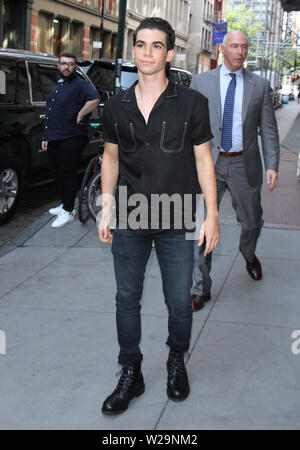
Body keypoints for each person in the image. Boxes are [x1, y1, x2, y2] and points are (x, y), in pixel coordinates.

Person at [98, 17, 220, 415]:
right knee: (126, 299)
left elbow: (204, 161)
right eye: (140, 44)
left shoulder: (191, 103)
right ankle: (131, 371)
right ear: (133, 49)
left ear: (169, 53)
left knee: (179, 302)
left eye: (155, 46)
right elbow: (111, 158)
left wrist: (212, 215)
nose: (146, 53)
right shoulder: (116, 105)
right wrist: (105, 206)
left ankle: (175, 359)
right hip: (131, 215)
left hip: (179, 215)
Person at [190, 30, 280, 312]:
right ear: (222, 49)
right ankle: (200, 288)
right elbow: (189, 125)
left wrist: (273, 164)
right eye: (234, 47)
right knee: (202, 226)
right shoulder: (200, 82)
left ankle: (248, 253)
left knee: (252, 222)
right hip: (209, 163)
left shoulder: (259, 85)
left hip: (245, 163)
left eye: (244, 47)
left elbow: (268, 128)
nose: (240, 52)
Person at [41, 53, 100, 228]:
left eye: (70, 64)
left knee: (67, 173)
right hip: (55, 136)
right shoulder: (60, 85)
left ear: (75, 67)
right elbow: (51, 111)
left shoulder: (80, 84)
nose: (66, 67)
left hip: (72, 136)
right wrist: (46, 136)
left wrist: (81, 114)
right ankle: (65, 205)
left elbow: (95, 98)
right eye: (63, 64)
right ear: (58, 66)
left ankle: (68, 211)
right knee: (56, 172)